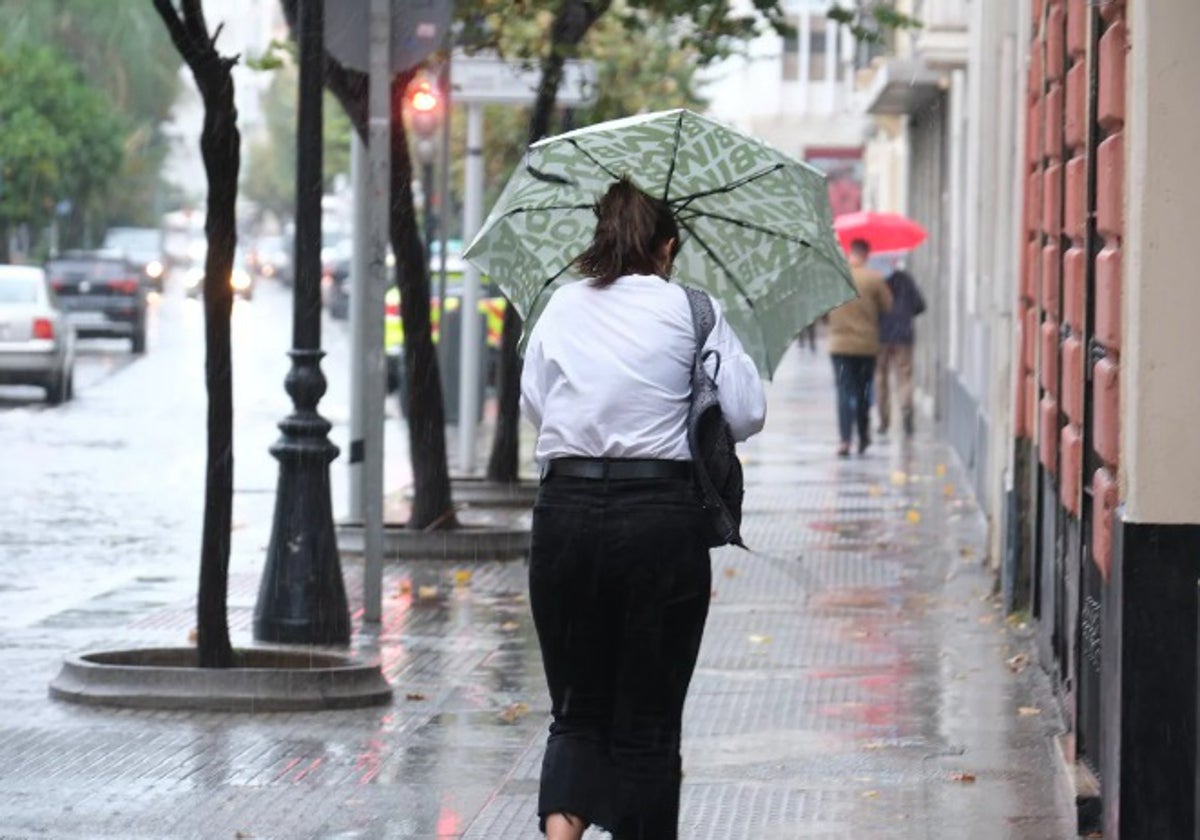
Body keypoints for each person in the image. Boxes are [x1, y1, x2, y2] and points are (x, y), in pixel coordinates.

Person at [520, 176, 767, 840]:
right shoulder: (693, 310)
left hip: (564, 516)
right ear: (668, 246)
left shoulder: (561, 308)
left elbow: (537, 405)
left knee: (576, 711)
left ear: (599, 237)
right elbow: (745, 413)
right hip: (659, 524)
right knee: (649, 724)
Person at [827, 238, 892, 457]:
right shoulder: (874, 279)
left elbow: (824, 309)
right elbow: (887, 306)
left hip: (840, 346)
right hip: (866, 346)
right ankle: (863, 435)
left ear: (850, 253)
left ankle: (845, 440)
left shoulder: (837, 277)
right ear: (866, 255)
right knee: (864, 391)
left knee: (844, 392)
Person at [876, 262, 926, 437]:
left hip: (880, 335)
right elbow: (920, 305)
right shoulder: (905, 279)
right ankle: (906, 414)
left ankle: (883, 421)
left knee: (880, 376)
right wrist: (904, 314)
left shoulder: (875, 280)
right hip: (903, 335)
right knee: (904, 376)